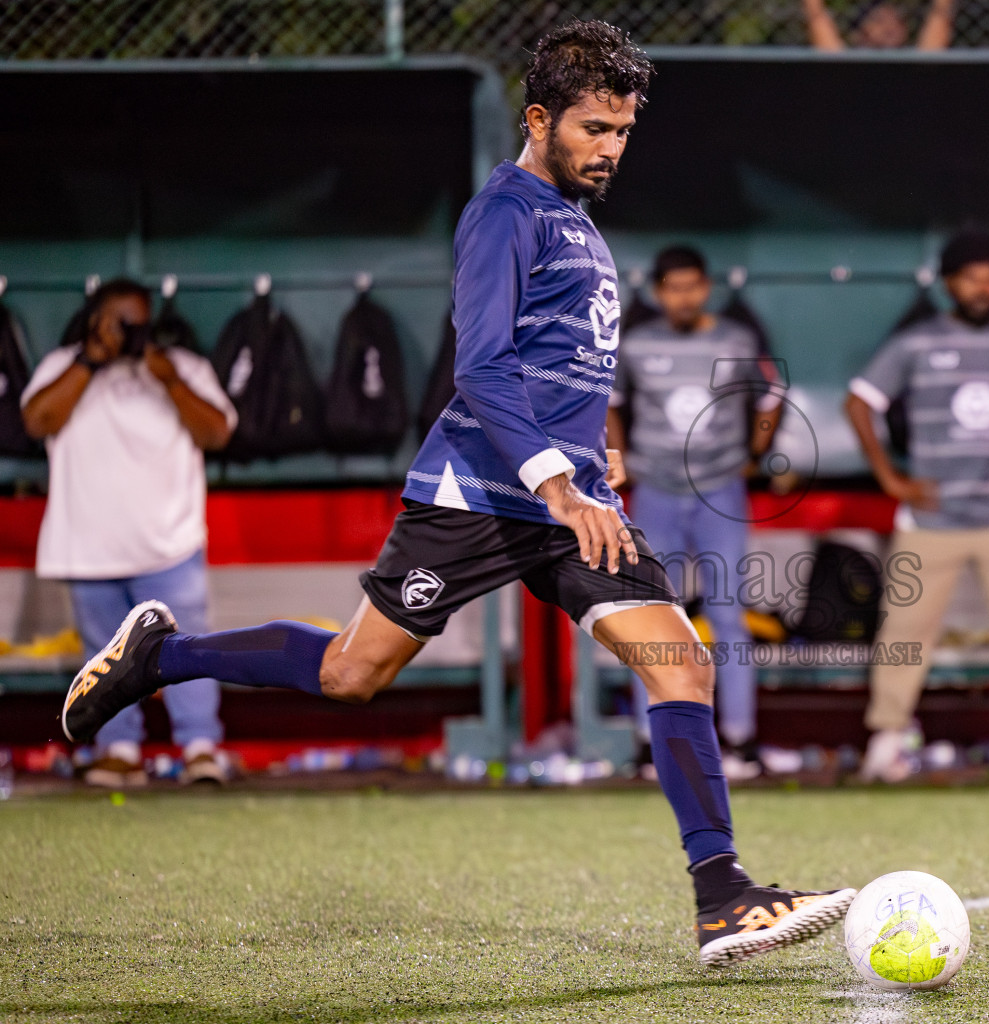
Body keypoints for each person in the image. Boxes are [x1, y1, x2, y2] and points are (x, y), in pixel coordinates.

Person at [58, 21, 853, 966]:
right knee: (353, 675)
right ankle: (163, 655)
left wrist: (591, 451)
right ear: (539, 117)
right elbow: (481, 369)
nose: (612, 149)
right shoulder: (506, 213)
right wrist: (559, 482)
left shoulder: (574, 220)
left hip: (571, 503)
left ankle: (722, 896)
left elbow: (556, 362)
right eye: (596, 128)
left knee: (679, 663)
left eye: (624, 131)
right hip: (478, 495)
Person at [845, 229, 989, 782]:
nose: (983, 288)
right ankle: (886, 741)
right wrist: (891, 477)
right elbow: (859, 402)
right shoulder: (916, 343)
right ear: (950, 282)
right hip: (931, 516)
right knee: (904, 629)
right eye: (972, 278)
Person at [22, 278, 235, 788]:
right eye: (118, 322)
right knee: (104, 659)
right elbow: (37, 420)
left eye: (137, 323)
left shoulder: (181, 367)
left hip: (169, 542)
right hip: (88, 546)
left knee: (186, 647)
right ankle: (118, 751)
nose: (128, 333)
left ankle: (201, 747)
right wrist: (91, 360)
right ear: (96, 320)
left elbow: (217, 432)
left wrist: (167, 378)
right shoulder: (64, 365)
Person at [607, 246, 781, 780]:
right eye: (672, 288)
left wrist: (753, 456)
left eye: (692, 287)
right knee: (652, 618)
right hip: (655, 491)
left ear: (706, 287)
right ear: (658, 293)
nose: (683, 298)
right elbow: (609, 403)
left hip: (720, 492)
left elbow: (771, 398)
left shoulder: (735, 339)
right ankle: (650, 742)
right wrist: (622, 460)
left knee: (728, 615)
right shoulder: (635, 344)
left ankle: (739, 740)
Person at [802, 0, 954, 50]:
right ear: (858, 33)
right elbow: (816, 17)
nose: (890, 27)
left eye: (898, 21)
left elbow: (941, 15)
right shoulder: (847, 69)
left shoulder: (915, 69)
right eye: (879, 20)